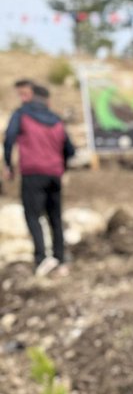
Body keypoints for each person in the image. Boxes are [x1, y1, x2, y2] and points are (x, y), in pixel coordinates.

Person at [3, 80, 75, 275]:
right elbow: (70, 148)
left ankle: (41, 259)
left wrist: (8, 165)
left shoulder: (22, 114)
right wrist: (63, 166)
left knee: (33, 216)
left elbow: (9, 138)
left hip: (33, 173)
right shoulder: (56, 119)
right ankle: (59, 258)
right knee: (55, 216)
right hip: (54, 173)